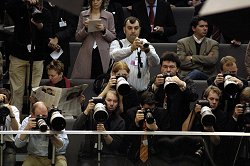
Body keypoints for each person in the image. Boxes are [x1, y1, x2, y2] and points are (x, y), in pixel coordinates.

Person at [5, 0, 52, 113]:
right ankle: (15, 121)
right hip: (18, 55)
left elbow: (49, 33)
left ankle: (35, 120)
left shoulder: (45, 11)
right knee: (17, 91)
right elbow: (7, 5)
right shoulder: (20, 8)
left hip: (37, 57)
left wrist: (40, 26)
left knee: (35, 92)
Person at [72, 89, 126, 166]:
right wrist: (87, 111)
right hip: (88, 154)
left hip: (108, 155)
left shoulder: (120, 121)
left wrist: (105, 133)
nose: (111, 104)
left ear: (118, 103)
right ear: (103, 101)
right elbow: (75, 128)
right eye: (109, 100)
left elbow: (115, 146)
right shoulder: (91, 114)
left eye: (115, 101)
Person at [110, 16, 160, 97]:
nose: (133, 31)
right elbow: (114, 55)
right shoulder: (117, 43)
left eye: (136, 28)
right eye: (129, 28)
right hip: (121, 94)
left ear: (139, 29)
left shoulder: (145, 43)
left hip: (142, 93)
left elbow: (156, 63)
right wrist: (131, 48)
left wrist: (148, 51)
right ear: (124, 29)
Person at [147, 51, 198, 130]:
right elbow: (146, 98)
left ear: (177, 69)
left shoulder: (186, 80)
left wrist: (182, 84)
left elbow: (193, 97)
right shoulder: (156, 80)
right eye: (165, 66)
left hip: (180, 121)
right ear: (160, 68)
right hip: (159, 123)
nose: (168, 70)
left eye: (171, 67)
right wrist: (155, 86)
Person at [71, 0, 116, 79]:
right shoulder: (83, 14)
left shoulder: (109, 15)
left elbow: (112, 37)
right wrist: (86, 28)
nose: (95, 2)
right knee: (85, 79)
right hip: (86, 51)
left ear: (102, 1)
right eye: (93, 0)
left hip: (103, 52)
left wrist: (104, 30)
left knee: (103, 79)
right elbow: (77, 37)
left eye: (98, 0)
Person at [15, 101, 69, 166]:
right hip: (34, 156)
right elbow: (18, 144)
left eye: (44, 116)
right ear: (32, 114)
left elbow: (63, 147)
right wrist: (27, 129)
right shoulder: (28, 121)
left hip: (55, 156)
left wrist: (52, 136)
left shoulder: (55, 119)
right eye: (38, 116)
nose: (42, 119)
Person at [126, 91, 169, 165]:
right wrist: (135, 122)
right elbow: (127, 138)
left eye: (152, 109)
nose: (149, 112)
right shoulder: (131, 113)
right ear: (140, 105)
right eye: (146, 109)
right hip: (136, 153)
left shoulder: (162, 114)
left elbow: (167, 140)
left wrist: (156, 129)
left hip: (156, 153)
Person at [98, 61, 139, 129]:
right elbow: (97, 101)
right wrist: (108, 86)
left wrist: (120, 97)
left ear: (128, 75)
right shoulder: (107, 86)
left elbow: (123, 112)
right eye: (119, 75)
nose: (121, 77)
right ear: (113, 74)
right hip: (107, 120)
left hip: (125, 123)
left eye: (124, 75)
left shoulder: (132, 91)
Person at [43, 1, 78, 78]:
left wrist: (57, 38)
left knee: (62, 81)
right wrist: (50, 41)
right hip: (43, 52)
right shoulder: (41, 5)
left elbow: (72, 28)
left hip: (62, 50)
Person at [177, 16, 219, 80]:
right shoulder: (182, 42)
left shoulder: (213, 43)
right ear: (193, 28)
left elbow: (212, 61)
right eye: (201, 26)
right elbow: (181, 62)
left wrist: (192, 58)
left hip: (207, 75)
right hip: (187, 74)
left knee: (196, 72)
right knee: (195, 73)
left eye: (206, 26)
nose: (205, 29)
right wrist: (205, 61)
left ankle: (183, 85)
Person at [0, 88, 20, 166]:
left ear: (9, 101)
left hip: (9, 144)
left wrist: (11, 113)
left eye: (4, 101)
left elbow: (16, 130)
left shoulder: (13, 109)